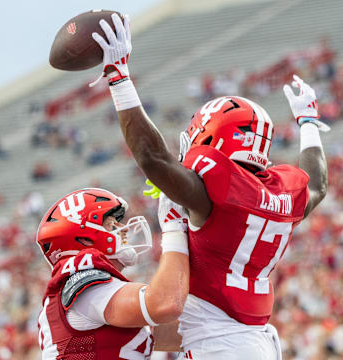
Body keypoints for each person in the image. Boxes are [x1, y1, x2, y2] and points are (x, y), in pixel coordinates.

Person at [90, 14, 328, 359]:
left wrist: (119, 78)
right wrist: (308, 122)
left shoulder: (213, 193)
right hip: (253, 337)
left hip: (221, 345)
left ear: (211, 134)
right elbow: (317, 184)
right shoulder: (281, 192)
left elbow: (153, 158)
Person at [36, 187, 189, 359]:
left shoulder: (100, 296)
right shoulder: (84, 286)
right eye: (111, 224)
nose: (123, 229)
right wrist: (174, 229)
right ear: (85, 239)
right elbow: (165, 304)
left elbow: (186, 333)